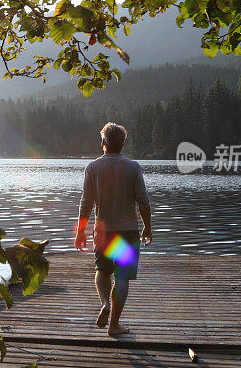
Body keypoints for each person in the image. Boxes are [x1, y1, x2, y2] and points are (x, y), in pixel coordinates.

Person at [74, 122, 152, 336]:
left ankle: (104, 303)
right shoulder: (133, 167)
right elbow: (143, 201)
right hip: (127, 232)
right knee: (123, 277)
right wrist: (147, 227)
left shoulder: (92, 167)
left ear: (103, 143)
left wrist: (81, 231)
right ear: (122, 145)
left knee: (102, 270)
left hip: (103, 232)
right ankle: (114, 325)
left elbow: (86, 202)